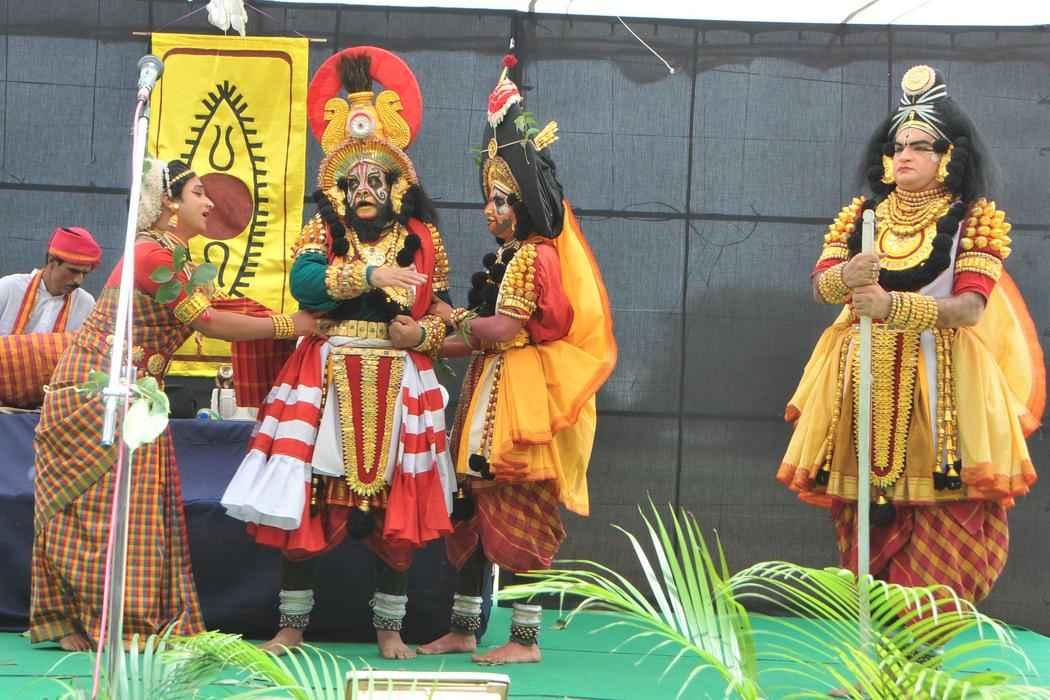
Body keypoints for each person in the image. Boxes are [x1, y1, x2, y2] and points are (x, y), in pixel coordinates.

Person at [220, 47, 457, 660]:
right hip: (326, 372)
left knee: (398, 509)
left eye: (377, 180)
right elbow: (304, 285)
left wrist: (422, 337)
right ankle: (292, 627)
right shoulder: (323, 231)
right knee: (308, 500)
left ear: (399, 185)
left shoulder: (422, 238)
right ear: (338, 188)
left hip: (400, 376)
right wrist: (372, 277)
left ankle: (390, 630)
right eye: (353, 182)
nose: (365, 190)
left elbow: (440, 312)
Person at [777, 65, 1044, 609]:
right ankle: (874, 643)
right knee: (861, 514)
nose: (905, 156)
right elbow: (821, 287)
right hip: (859, 380)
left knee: (947, 517)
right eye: (898, 146)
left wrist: (892, 306)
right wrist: (846, 276)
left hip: (943, 389)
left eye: (921, 146)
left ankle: (923, 644)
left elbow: (970, 308)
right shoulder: (861, 215)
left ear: (949, 157)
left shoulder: (974, 220)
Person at [30, 158, 317, 651]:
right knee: (105, 512)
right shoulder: (149, 254)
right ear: (168, 202)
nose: (210, 202)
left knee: (139, 512)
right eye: (198, 192)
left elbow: (223, 310)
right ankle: (104, 622)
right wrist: (291, 325)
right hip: (100, 393)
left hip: (141, 394)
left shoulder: (179, 260)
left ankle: (122, 620)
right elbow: (208, 321)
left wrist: (297, 321)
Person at [415, 53, 616, 664]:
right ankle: (463, 629)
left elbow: (502, 329)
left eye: (501, 199)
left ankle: (525, 641)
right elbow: (484, 335)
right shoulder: (511, 256)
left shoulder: (534, 256)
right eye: (488, 198)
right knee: (475, 508)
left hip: (520, 397)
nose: (490, 209)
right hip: (492, 387)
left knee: (520, 509)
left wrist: (446, 319)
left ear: (525, 203)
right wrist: (424, 338)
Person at [0, 226, 101, 336]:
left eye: (84, 273)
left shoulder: (86, 303)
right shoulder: (8, 288)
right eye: (73, 271)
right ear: (51, 260)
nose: (78, 281)